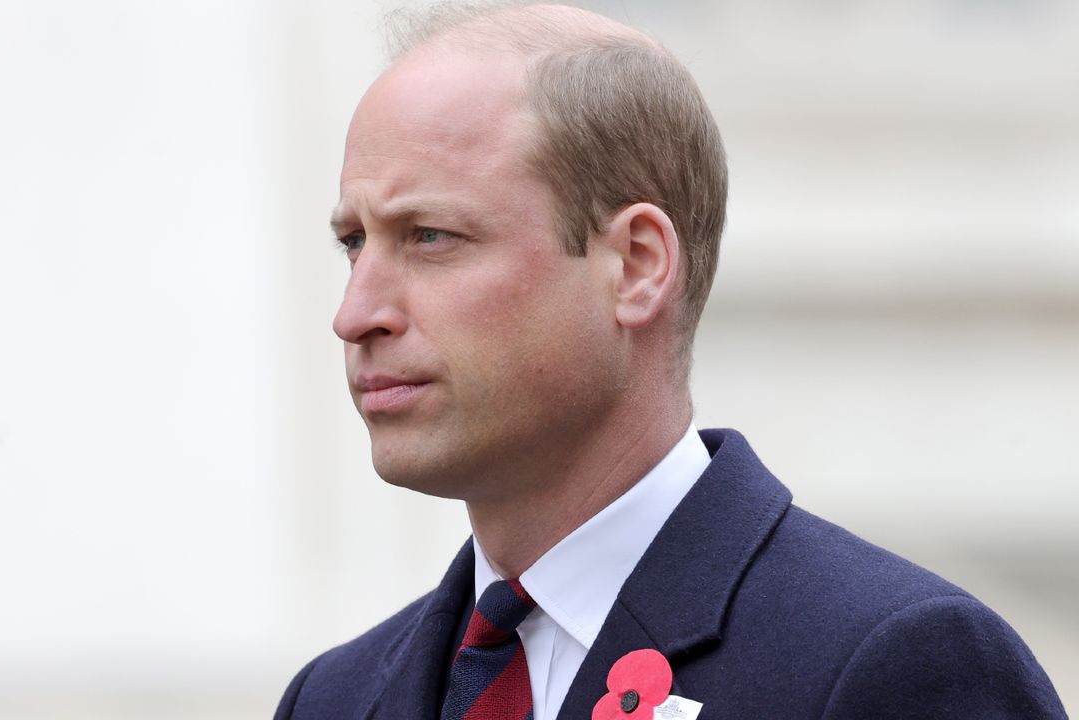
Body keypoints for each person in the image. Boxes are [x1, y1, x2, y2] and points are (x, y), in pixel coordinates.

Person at [277, 3, 1067, 719]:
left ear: (638, 264)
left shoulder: (894, 667)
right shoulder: (333, 697)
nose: (356, 314)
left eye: (430, 237)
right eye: (355, 243)